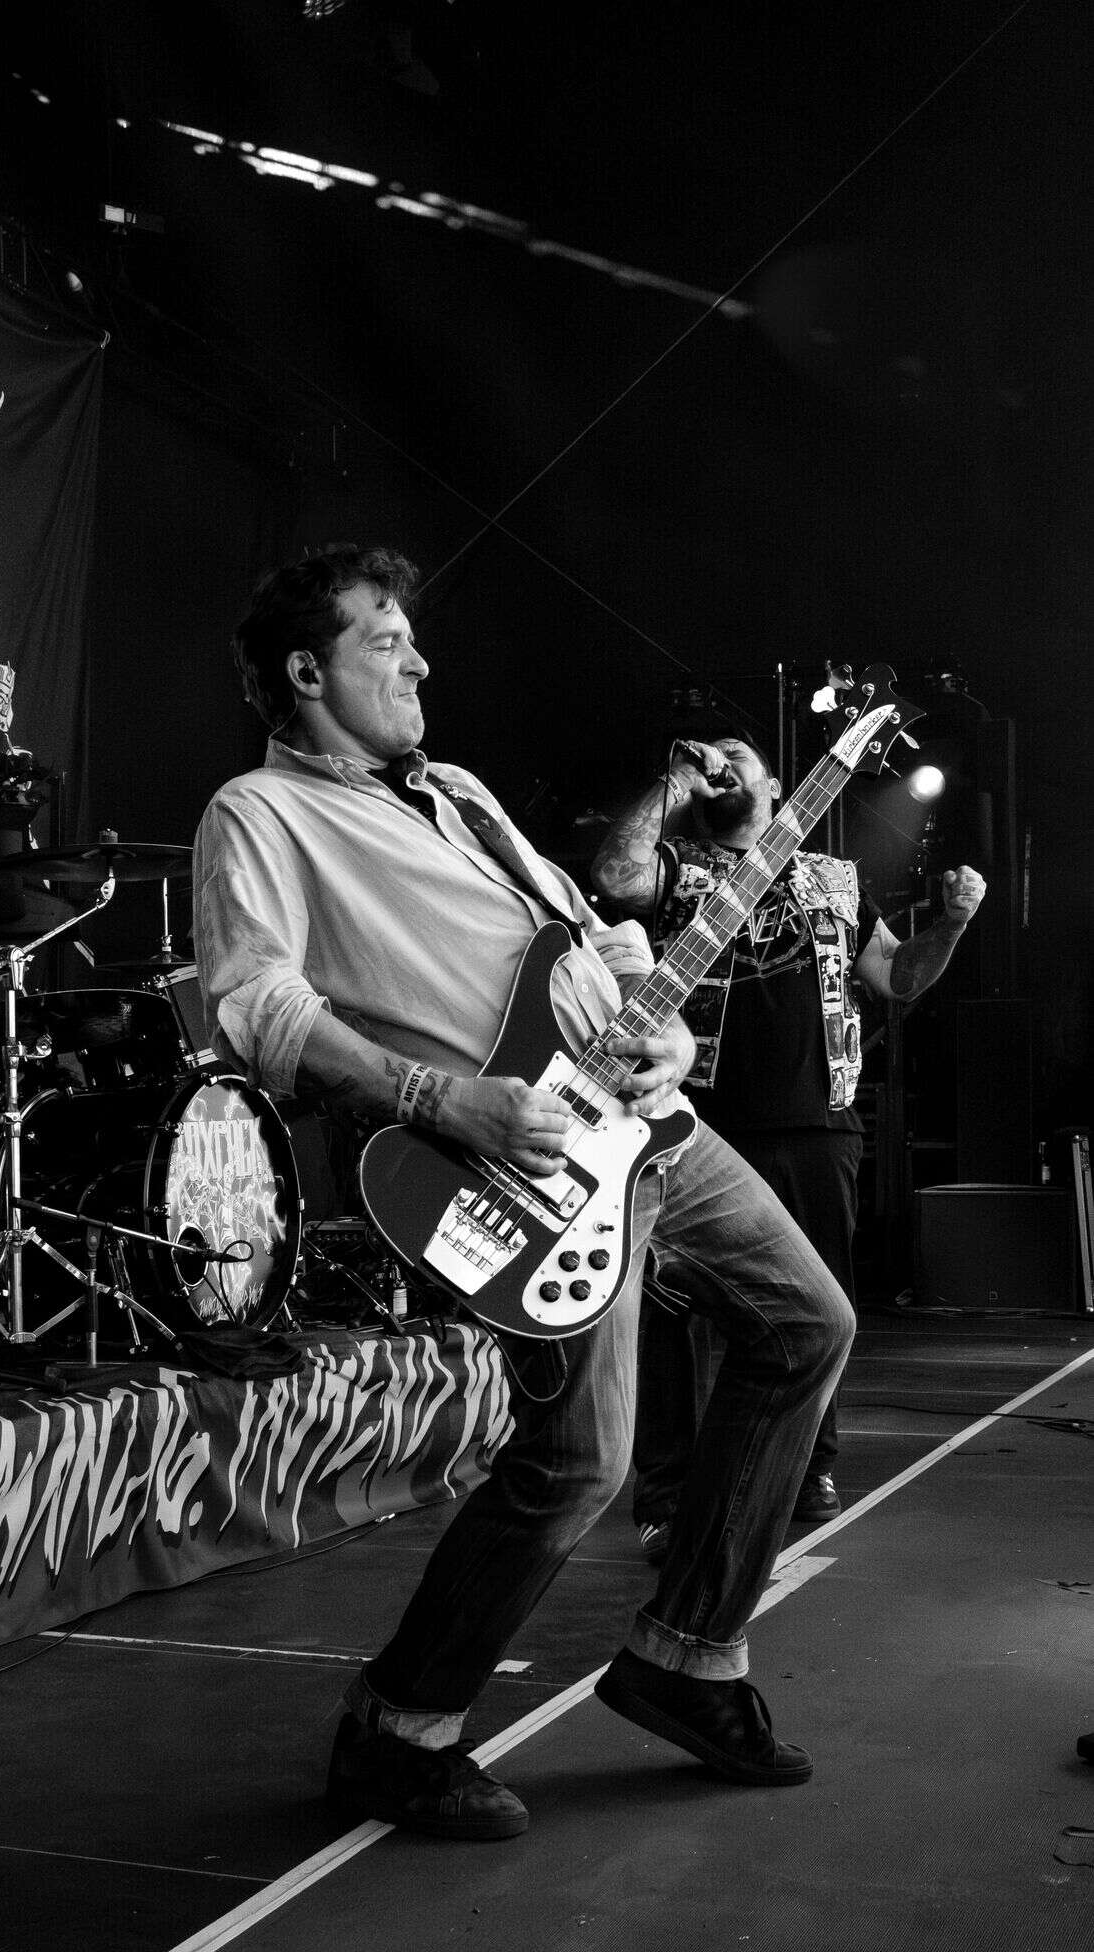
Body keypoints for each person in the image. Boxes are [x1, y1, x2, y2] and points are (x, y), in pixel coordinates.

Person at [194, 543, 856, 1842]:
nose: (418, 660)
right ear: (306, 671)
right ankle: (397, 1727)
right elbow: (255, 1004)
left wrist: (660, 1025)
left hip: (642, 1122)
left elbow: (585, 930)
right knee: (577, 1462)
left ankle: (688, 1656)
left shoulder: (455, 793)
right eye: (386, 639)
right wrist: (441, 1100)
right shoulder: (259, 813)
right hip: (524, 1158)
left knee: (806, 1324)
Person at [590, 732, 986, 1552]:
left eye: (736, 753)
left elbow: (897, 977)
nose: (720, 763)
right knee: (671, 1317)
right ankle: (666, 1494)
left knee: (816, 1304)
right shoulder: (674, 866)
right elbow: (615, 876)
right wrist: (677, 780)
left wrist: (951, 923)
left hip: (815, 1126)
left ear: (775, 785)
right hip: (691, 1124)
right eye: (710, 757)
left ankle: (807, 1467)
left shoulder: (833, 878)